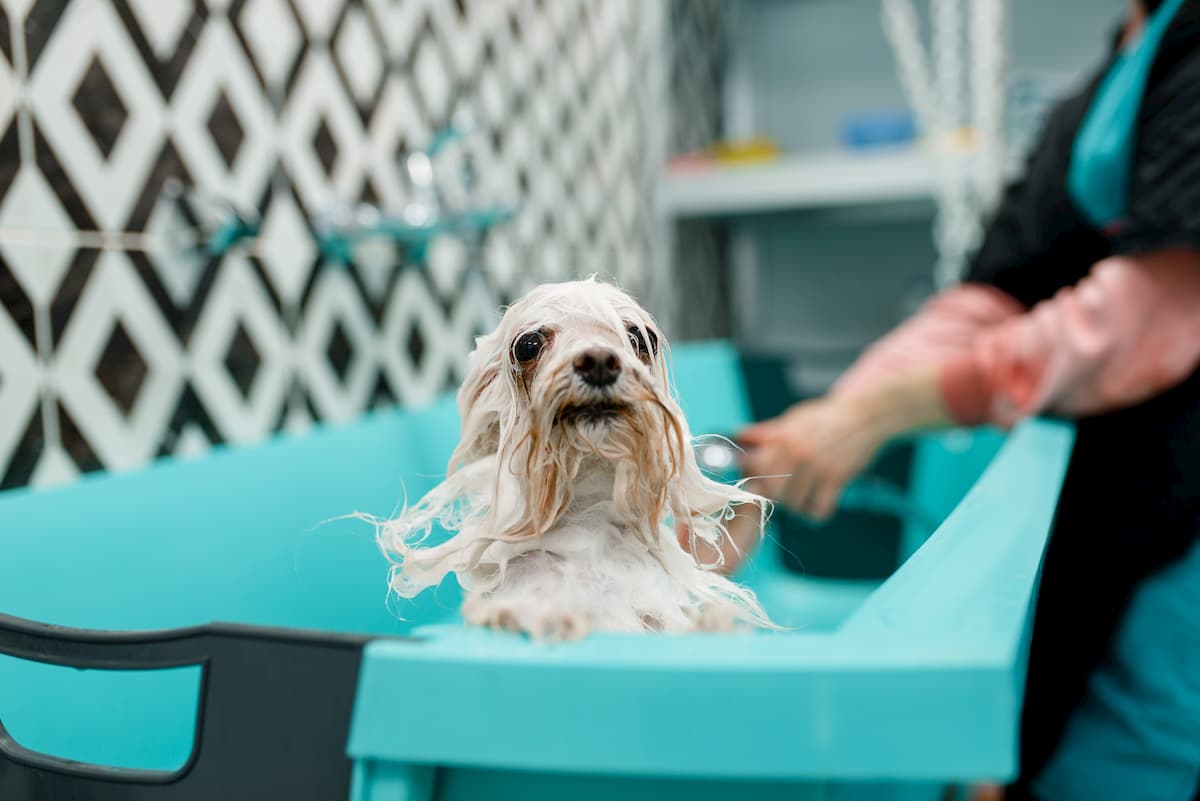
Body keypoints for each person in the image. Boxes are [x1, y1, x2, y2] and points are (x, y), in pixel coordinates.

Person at [702, 2, 1200, 799]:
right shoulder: (1106, 80)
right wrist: (824, 423)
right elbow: (988, 301)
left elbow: (1151, 315)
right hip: (1109, 511)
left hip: (1178, 526)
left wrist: (874, 414)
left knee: (1133, 755)